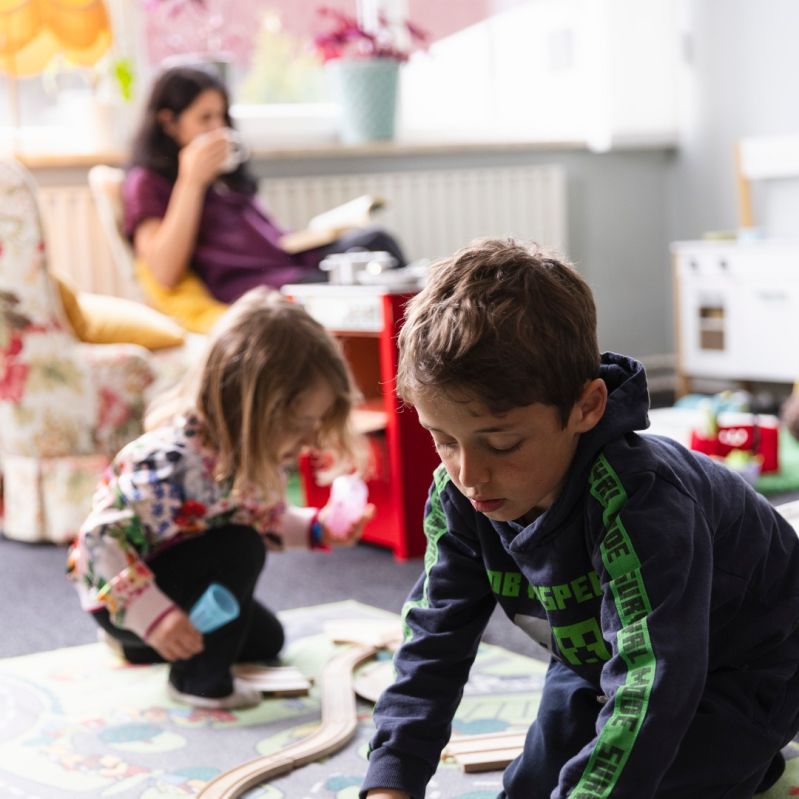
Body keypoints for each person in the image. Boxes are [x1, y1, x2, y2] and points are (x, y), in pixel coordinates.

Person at [361, 239, 799, 799]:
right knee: (530, 788)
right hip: (601, 652)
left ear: (587, 407)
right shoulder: (461, 495)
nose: (471, 474)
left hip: (745, 667)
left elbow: (651, 685)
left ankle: (748, 757)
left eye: (503, 443)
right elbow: (433, 639)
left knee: (652, 778)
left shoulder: (644, 503)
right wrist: (391, 779)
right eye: (443, 440)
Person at [67, 287, 372, 710]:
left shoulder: (243, 454)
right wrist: (153, 617)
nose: (309, 439)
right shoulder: (169, 464)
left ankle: (144, 649)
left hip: (173, 591)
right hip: (125, 598)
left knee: (268, 641)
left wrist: (319, 529)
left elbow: (261, 515)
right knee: (239, 546)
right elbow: (97, 545)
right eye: (300, 423)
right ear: (249, 409)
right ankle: (197, 680)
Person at [124, 63, 406, 306]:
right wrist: (191, 182)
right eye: (205, 118)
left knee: (377, 240)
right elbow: (163, 272)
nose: (218, 128)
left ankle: (426, 346)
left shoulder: (223, 176)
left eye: (221, 116)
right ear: (168, 123)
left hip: (288, 261)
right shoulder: (147, 182)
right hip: (256, 284)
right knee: (354, 282)